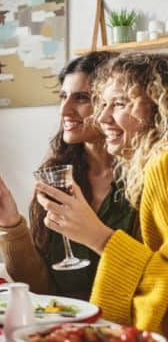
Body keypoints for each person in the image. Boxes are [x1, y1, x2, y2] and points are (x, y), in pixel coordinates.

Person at [0, 51, 136, 300]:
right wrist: (10, 222)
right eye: (63, 97)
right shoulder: (56, 176)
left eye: (81, 98)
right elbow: (40, 289)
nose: (65, 110)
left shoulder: (145, 179)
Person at [36, 52, 168, 333]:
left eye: (119, 104)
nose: (103, 117)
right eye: (102, 103)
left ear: (159, 106)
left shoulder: (161, 165)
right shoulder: (144, 167)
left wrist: (99, 237)